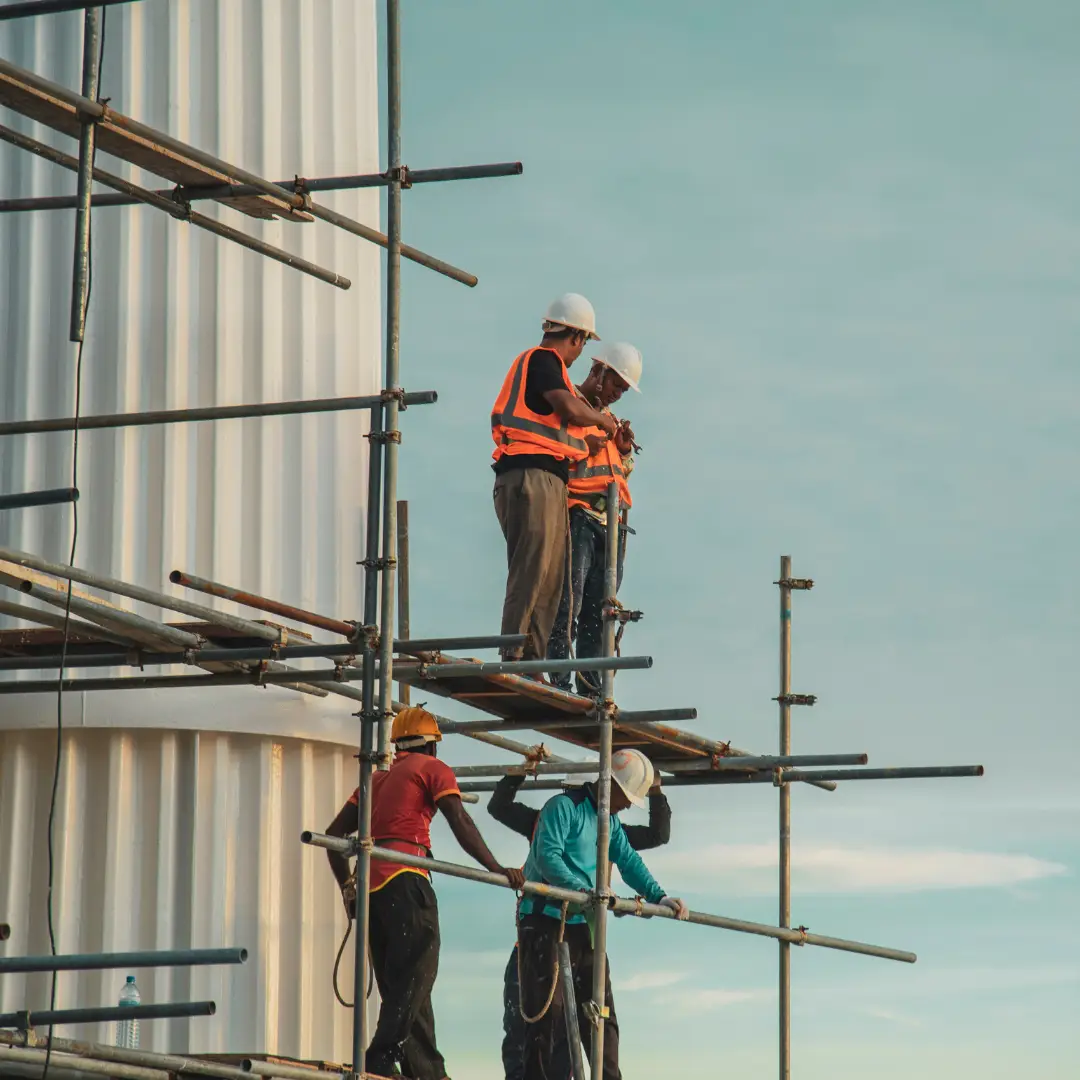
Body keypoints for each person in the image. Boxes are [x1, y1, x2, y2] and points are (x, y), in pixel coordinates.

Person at [324, 706, 525, 1080]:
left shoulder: (374, 780)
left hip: (371, 890)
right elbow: (459, 820)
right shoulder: (432, 768)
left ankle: (427, 1071)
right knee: (418, 974)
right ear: (431, 746)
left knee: (405, 985)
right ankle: (379, 1058)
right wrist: (496, 867)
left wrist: (348, 888)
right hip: (406, 878)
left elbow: (333, 838)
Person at [488, 760, 672, 1080]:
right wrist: (583, 891)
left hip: (583, 926)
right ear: (612, 785)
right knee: (546, 1016)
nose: (629, 805)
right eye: (628, 796)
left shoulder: (609, 821)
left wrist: (659, 896)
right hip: (546, 921)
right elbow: (548, 856)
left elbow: (629, 860)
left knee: (601, 1015)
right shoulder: (562, 808)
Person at [491, 294, 619, 670]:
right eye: (583, 343)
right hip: (529, 476)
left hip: (547, 479)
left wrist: (590, 442)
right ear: (577, 337)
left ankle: (533, 661)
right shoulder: (543, 360)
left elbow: (558, 431)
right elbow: (567, 407)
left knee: (550, 579)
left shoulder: (550, 371)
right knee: (532, 568)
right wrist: (602, 420)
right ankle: (514, 654)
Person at [546, 342, 643, 696]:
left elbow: (618, 472)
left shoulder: (610, 422)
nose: (618, 393)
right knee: (567, 603)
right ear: (599, 371)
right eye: (616, 384)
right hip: (579, 517)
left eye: (623, 389)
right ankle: (559, 681)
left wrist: (624, 450)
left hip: (610, 524)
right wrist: (589, 446)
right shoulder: (569, 404)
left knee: (598, 614)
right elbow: (557, 453)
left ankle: (590, 689)